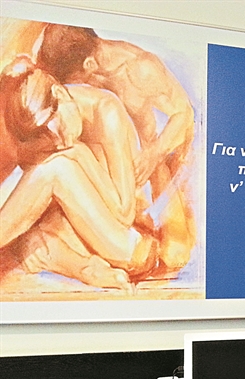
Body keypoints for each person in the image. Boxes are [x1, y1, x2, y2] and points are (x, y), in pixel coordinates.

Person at [36, 23, 196, 273]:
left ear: (89, 64)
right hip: (102, 169)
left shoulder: (140, 69)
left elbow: (184, 114)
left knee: (174, 256)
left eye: (74, 80)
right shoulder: (76, 69)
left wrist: (153, 155)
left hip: (144, 168)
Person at [0, 57, 156, 289]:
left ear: (60, 94)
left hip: (132, 244)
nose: (61, 142)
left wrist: (81, 154)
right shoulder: (46, 116)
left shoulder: (106, 113)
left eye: (61, 128)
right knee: (29, 243)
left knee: (55, 168)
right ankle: (85, 268)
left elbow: (124, 213)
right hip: (88, 241)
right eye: (51, 137)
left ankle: (77, 264)